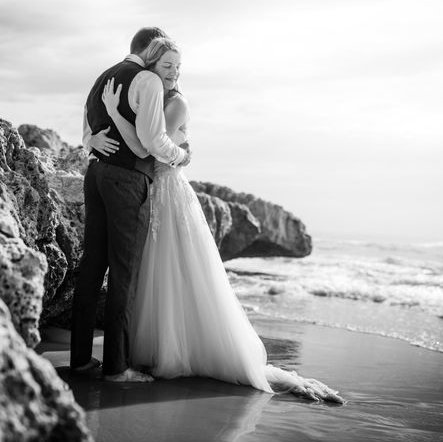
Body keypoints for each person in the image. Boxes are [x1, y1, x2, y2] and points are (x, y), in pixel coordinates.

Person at [97, 37, 345, 403]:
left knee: (173, 266)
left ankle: (172, 349)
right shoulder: (151, 96)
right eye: (167, 66)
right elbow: (154, 141)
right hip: (157, 189)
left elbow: (152, 149)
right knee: (156, 268)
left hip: (168, 191)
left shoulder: (176, 102)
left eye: (178, 68)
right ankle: (148, 348)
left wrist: (128, 124)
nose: (173, 73)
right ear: (151, 65)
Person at [70, 28, 191, 383]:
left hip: (95, 174)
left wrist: (94, 139)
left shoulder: (102, 77)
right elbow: (149, 144)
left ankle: (79, 360)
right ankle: (117, 367)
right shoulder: (147, 81)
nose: (167, 69)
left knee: (92, 265)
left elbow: (85, 133)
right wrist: (181, 155)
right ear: (150, 51)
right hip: (127, 178)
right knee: (125, 272)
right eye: (164, 60)